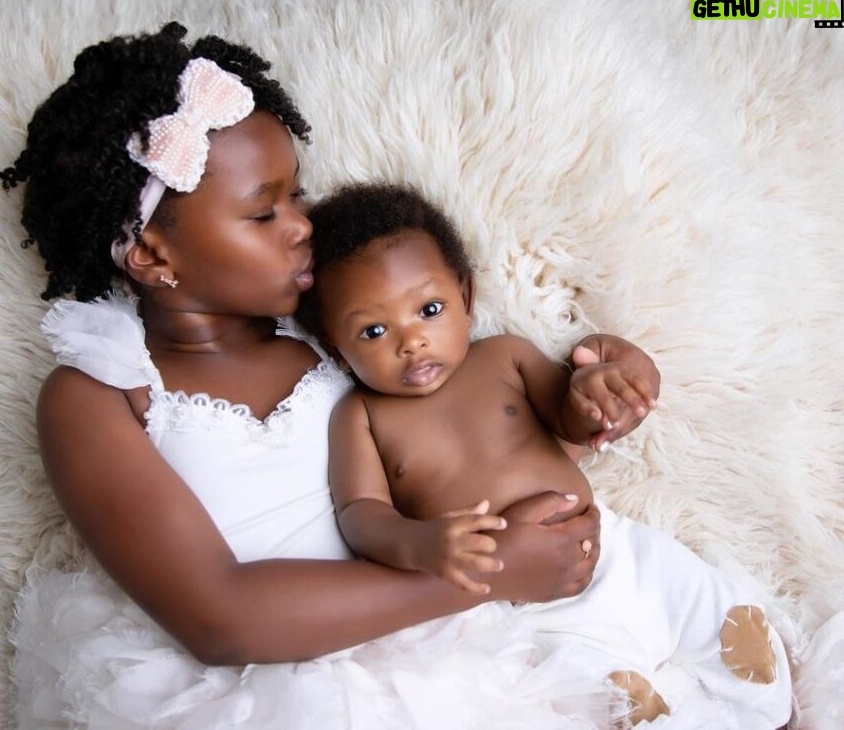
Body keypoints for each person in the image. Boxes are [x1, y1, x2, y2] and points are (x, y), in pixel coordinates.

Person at [0, 23, 668, 728]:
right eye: (263, 211)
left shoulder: (338, 327)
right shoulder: (97, 396)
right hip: (259, 689)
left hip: (450, 647)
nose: (302, 227)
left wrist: (599, 366)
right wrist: (486, 572)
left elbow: (485, 386)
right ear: (153, 255)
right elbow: (218, 618)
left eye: (298, 196)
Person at [294, 182, 794, 728]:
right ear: (337, 349)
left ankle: (762, 697)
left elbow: (570, 419)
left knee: (698, 596)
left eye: (429, 309)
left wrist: (595, 393)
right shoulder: (360, 416)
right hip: (519, 604)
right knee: (576, 682)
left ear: (465, 296)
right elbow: (361, 514)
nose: (410, 342)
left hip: (612, 549)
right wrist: (420, 542)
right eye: (373, 330)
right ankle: (638, 705)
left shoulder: (505, 357)